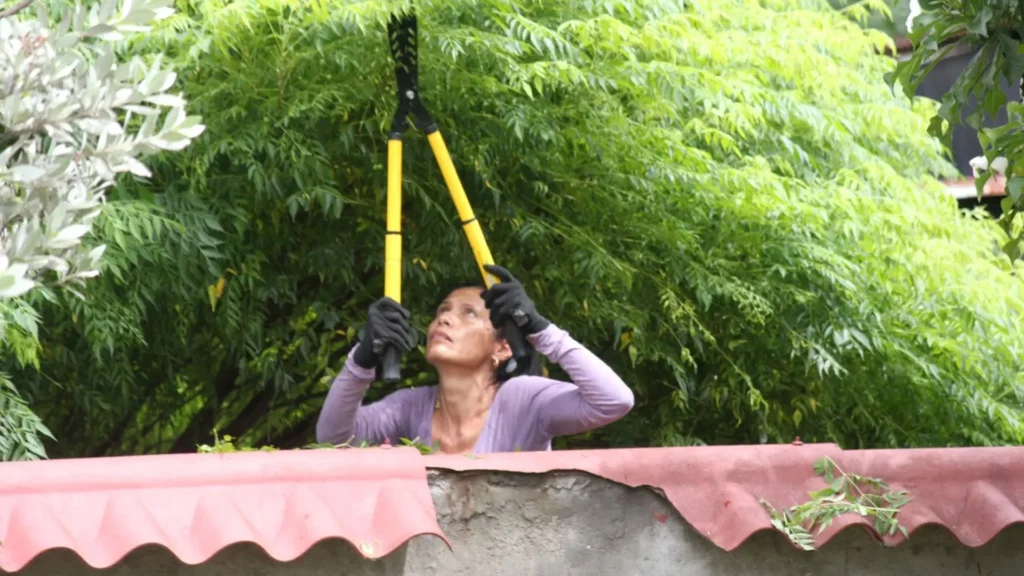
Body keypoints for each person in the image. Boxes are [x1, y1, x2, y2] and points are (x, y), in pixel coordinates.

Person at [315, 265, 634, 453]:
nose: (445, 320)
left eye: (469, 313)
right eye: (443, 311)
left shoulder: (522, 399)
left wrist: (538, 328)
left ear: (503, 348)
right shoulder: (409, 407)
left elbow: (614, 401)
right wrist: (364, 355)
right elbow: (333, 440)